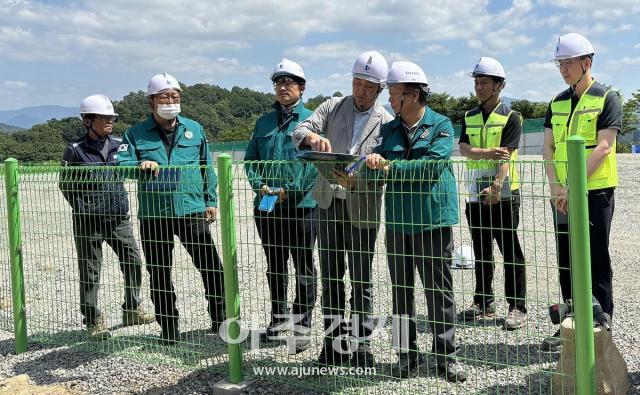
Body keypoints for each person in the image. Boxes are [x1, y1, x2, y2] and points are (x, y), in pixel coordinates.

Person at [365, 61, 467, 382]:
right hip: (398, 223)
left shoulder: (441, 125)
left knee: (439, 291)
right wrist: (370, 164)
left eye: (392, 94)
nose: (389, 101)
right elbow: (376, 168)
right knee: (400, 293)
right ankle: (405, 354)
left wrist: (390, 168)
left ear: (411, 94)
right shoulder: (389, 130)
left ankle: (446, 356)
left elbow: (432, 167)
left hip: (432, 222)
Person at [292, 51, 393, 367]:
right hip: (327, 204)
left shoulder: (387, 122)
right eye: (357, 82)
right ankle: (333, 344)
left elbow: (386, 171)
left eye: (368, 86)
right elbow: (299, 130)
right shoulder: (332, 106)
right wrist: (311, 137)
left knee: (362, 280)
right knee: (332, 278)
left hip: (362, 208)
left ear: (380, 89)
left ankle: (361, 345)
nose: (360, 90)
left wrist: (360, 182)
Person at [117, 73, 225, 344]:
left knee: (211, 267)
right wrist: (138, 166)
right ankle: (169, 329)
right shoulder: (135, 133)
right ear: (151, 102)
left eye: (175, 97)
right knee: (160, 272)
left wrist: (210, 200)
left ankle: (220, 319)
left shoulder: (194, 128)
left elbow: (205, 167)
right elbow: (121, 164)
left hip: (191, 209)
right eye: (164, 97)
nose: (170, 101)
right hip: (155, 214)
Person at [542, 33, 621, 350]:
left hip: (595, 193)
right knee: (567, 260)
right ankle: (570, 326)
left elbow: (604, 146)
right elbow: (548, 147)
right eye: (560, 63)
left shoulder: (607, 97)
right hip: (561, 197)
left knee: (596, 258)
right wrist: (556, 187)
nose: (563, 68)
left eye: (568, 62)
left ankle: (602, 327)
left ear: (587, 63)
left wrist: (572, 186)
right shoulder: (557, 101)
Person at [59, 94, 154, 340]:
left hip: (118, 218)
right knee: (90, 270)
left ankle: (132, 308)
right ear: (87, 121)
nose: (110, 122)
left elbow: (133, 167)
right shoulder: (75, 150)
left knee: (133, 260)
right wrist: (84, 206)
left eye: (111, 118)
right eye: (104, 118)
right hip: (88, 222)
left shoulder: (120, 145)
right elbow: (66, 185)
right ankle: (92, 319)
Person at [244, 59, 318, 354]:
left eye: (289, 82)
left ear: (302, 87)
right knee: (274, 265)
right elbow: (251, 160)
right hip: (268, 202)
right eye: (278, 82)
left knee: (303, 265)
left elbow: (315, 163)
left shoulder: (312, 120)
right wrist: (260, 185)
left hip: (301, 204)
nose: (283, 87)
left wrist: (293, 190)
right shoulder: (263, 122)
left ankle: (302, 324)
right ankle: (278, 318)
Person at [458, 57, 528, 330]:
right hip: (476, 192)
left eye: (484, 82)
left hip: (504, 193)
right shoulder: (469, 116)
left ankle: (517, 306)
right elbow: (464, 148)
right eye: (476, 82)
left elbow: (506, 154)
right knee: (481, 249)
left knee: (510, 250)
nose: (478, 87)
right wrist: (486, 152)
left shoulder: (512, 117)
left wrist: (498, 185)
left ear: (500, 86)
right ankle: (483, 301)